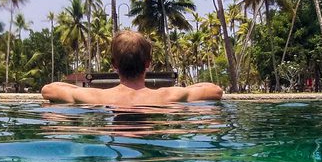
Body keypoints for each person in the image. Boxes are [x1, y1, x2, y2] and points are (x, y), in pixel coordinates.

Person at [41, 30, 223, 105]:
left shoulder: (96, 96)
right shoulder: (167, 96)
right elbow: (215, 91)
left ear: (114, 65)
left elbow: (48, 90)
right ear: (148, 64)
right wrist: (185, 89)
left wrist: (76, 89)